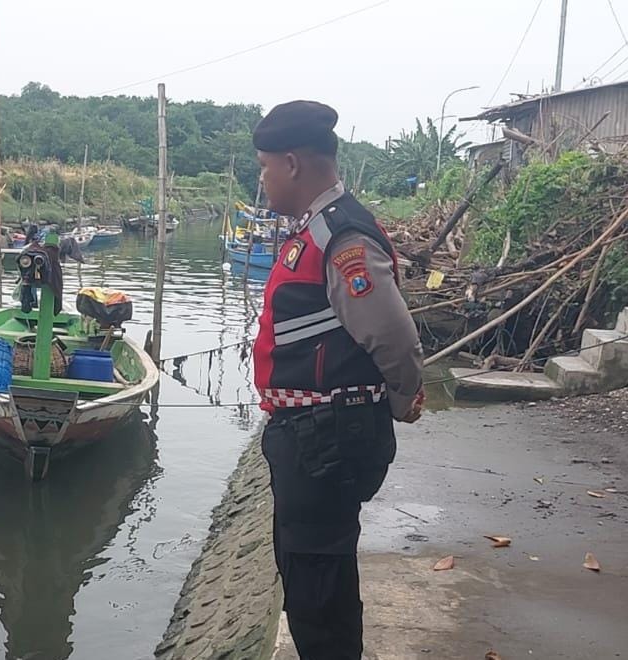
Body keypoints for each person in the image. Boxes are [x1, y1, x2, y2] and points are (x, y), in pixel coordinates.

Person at [251, 101, 424, 659]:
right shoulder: (317, 231)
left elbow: (393, 335)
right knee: (308, 577)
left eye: (265, 165)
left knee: (319, 585)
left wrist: (401, 399)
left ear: (293, 163)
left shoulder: (341, 238)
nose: (263, 177)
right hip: (311, 433)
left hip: (326, 436)